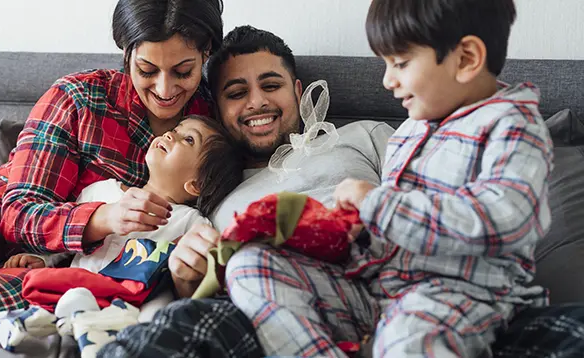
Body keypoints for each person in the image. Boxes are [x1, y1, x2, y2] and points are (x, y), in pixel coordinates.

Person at [0, 0, 224, 324]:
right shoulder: (80, 97)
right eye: (147, 70)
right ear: (127, 53)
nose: (164, 89)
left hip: (57, 266)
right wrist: (103, 217)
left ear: (206, 54)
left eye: (182, 71)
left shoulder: (211, 130)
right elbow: (17, 213)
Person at [228, 1, 553, 357]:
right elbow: (389, 229)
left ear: (466, 59)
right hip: (377, 290)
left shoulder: (512, 127)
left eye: (399, 63)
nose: (387, 80)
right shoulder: (410, 130)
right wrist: (352, 228)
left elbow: (504, 220)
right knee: (249, 265)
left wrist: (378, 204)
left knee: (409, 339)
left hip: (458, 295)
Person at [98, 25, 394, 358]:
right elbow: (207, 300)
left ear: (297, 91)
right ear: (217, 110)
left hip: (386, 281)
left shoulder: (363, 136)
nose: (257, 102)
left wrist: (379, 207)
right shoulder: (212, 199)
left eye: (271, 85)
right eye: (236, 93)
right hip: (276, 305)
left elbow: (433, 202)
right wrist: (185, 277)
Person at [2, 115, 242, 321]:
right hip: (68, 295)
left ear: (196, 185)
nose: (170, 135)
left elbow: (199, 281)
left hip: (128, 313)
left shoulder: (191, 223)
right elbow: (66, 245)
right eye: (175, 130)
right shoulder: (101, 191)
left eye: (188, 140)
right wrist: (41, 260)